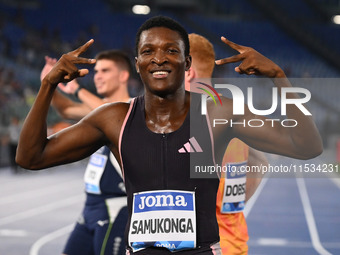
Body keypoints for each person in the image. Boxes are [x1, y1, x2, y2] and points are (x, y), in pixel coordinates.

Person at [17, 16, 322, 254]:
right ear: (138, 64)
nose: (159, 58)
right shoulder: (114, 118)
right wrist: (48, 85)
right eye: (148, 51)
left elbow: (305, 146)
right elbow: (30, 157)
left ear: (186, 63)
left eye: (171, 50)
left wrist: (279, 78)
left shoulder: (219, 113)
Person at [40, 50, 133, 255]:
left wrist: (76, 89)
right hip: (90, 205)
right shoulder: (96, 110)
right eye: (96, 70)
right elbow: (66, 110)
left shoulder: (134, 107)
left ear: (123, 75)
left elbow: (110, 114)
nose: (97, 75)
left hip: (116, 206)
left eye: (105, 70)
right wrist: (49, 83)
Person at [184, 33, 267, 254]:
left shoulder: (191, 114)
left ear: (187, 70)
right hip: (234, 242)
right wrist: (230, 205)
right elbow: (260, 162)